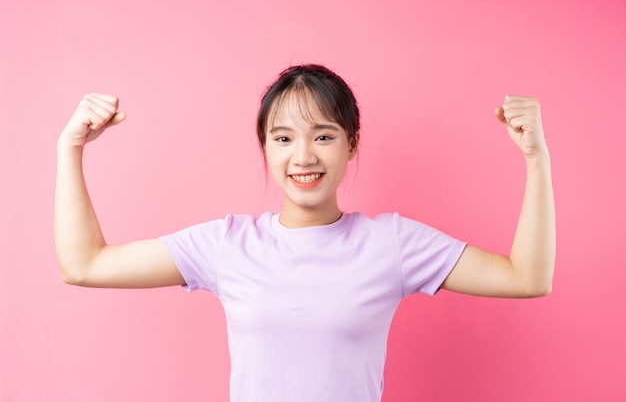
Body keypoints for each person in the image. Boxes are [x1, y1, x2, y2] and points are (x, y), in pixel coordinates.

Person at [54, 64, 555, 401]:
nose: (304, 156)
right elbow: (86, 265)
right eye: (283, 138)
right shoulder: (227, 244)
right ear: (265, 148)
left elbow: (527, 278)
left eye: (323, 136)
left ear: (351, 144)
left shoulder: (393, 245)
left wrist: (536, 158)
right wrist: (70, 147)